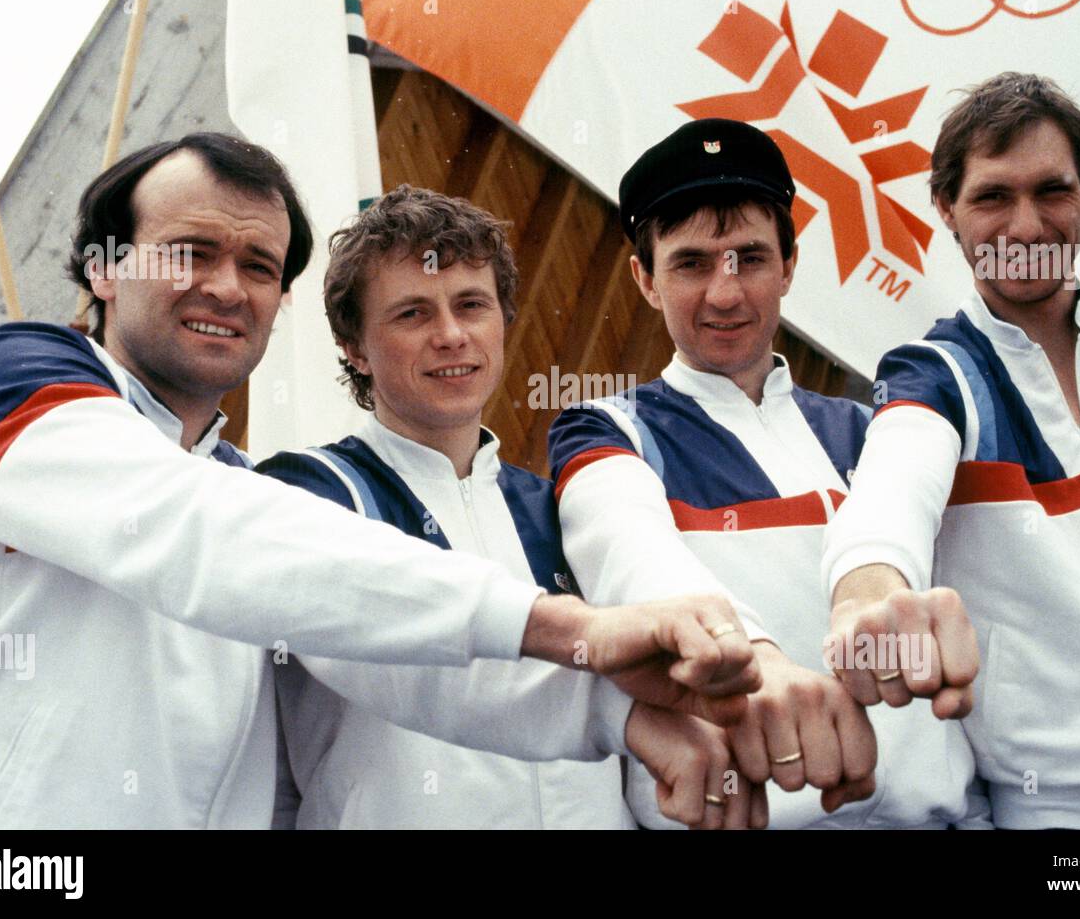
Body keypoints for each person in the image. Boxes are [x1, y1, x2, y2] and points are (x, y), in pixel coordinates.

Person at [0, 133, 761, 828]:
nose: (226, 285)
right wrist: (554, 623)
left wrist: (623, 716)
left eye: (259, 265)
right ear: (104, 269)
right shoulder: (17, 376)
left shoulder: (248, 490)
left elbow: (398, 663)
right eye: (190, 252)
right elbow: (195, 531)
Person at [258, 185, 764, 829]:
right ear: (354, 346)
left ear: (503, 319)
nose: (450, 336)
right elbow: (402, 662)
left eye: (471, 305)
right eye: (411, 314)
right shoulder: (308, 492)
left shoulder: (556, 508)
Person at [823, 72, 1080, 828]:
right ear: (944, 207)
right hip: (1077, 823)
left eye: (1052, 190)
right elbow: (885, 500)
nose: (1026, 226)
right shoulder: (934, 374)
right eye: (991, 197)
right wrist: (869, 600)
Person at [547, 118, 982, 828]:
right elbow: (635, 561)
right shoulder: (607, 429)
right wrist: (751, 658)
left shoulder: (871, 431)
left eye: (749, 257)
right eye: (691, 263)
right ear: (644, 279)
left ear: (789, 265)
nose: (725, 292)